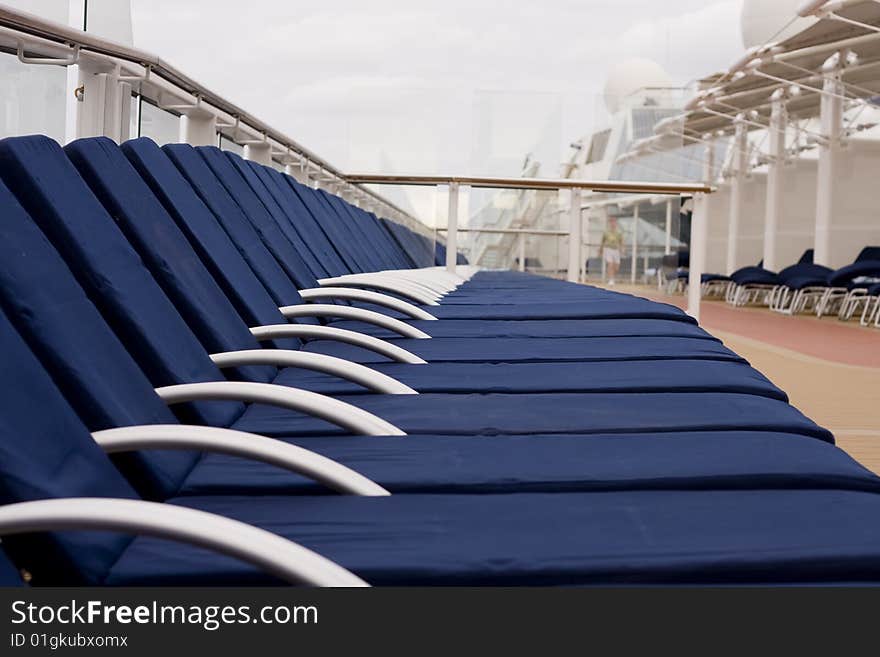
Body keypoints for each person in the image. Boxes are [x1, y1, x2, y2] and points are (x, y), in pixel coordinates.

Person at [600, 217, 624, 286]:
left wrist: (622, 249)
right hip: (608, 249)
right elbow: (602, 241)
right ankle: (611, 279)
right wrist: (600, 250)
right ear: (609, 223)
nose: (613, 224)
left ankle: (613, 277)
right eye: (611, 222)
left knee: (616, 266)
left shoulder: (619, 232)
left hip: (616, 250)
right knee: (610, 264)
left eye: (614, 222)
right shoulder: (606, 232)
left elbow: (621, 242)